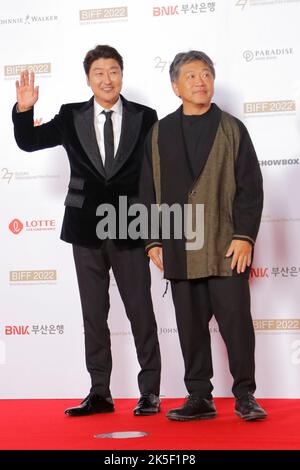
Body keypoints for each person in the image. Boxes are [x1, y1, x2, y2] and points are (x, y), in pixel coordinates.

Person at [12, 45, 161, 417]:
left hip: (131, 225)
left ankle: (150, 392)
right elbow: (28, 142)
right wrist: (24, 110)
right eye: (99, 73)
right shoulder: (70, 116)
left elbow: (157, 175)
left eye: (113, 71)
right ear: (88, 79)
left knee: (140, 311)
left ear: (122, 75)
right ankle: (99, 392)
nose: (107, 79)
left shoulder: (146, 117)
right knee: (93, 314)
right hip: (84, 229)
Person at [140, 50, 267, 421]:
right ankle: (199, 396)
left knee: (237, 325)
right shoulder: (159, 131)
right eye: (191, 75)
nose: (201, 81)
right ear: (175, 86)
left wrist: (244, 235)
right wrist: (153, 239)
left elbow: (251, 187)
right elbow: (147, 191)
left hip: (226, 246)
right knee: (190, 327)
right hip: (180, 247)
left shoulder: (233, 128)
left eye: (207, 74)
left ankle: (245, 395)